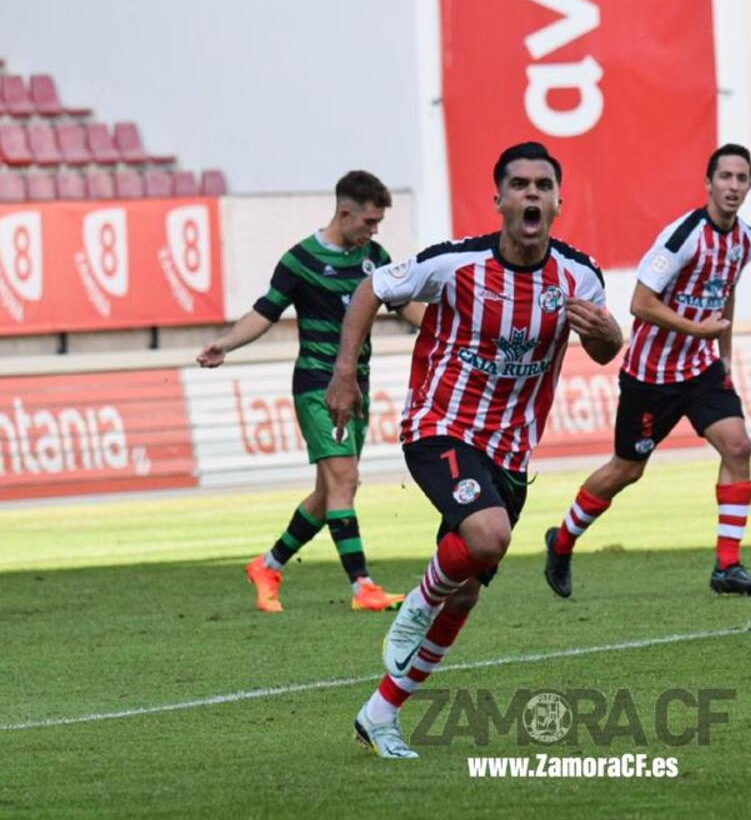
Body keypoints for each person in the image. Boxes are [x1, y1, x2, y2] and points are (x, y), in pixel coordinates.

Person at [327, 141, 623, 759]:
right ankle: (418, 602)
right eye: (519, 184)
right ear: (499, 200)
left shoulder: (579, 276)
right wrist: (345, 373)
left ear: (558, 202)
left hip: (511, 451)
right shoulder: (455, 263)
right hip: (441, 426)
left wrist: (611, 336)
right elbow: (370, 289)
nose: (532, 193)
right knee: (487, 537)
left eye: (543, 185)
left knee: (465, 592)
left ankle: (381, 714)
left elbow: (602, 351)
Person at [542, 143, 751, 599]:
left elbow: (725, 293)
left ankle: (727, 566)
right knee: (626, 470)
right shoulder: (683, 236)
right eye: (725, 177)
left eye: (741, 178)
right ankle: (562, 540)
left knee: (738, 446)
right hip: (652, 376)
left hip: (702, 369)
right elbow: (640, 304)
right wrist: (697, 329)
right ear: (708, 183)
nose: (733, 186)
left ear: (748, 186)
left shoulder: (747, 241)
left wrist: (723, 355)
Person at [196, 170, 418, 613]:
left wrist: (460, 331)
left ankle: (267, 565)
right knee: (345, 481)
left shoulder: (375, 258)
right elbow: (266, 311)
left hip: (358, 386)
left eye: (378, 223)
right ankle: (363, 587)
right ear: (345, 212)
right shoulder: (300, 260)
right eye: (369, 222)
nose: (374, 231)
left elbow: (406, 306)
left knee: (328, 492)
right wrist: (226, 344)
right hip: (318, 385)